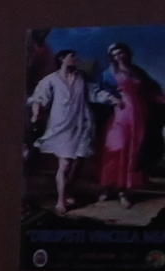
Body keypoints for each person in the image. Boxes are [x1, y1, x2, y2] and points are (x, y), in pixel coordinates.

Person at [29, 48, 108, 215]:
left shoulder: (82, 77)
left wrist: (112, 99)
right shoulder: (51, 79)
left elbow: (95, 93)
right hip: (62, 125)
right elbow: (39, 98)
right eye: (73, 57)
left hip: (81, 124)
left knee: (77, 162)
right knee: (65, 164)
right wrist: (36, 113)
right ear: (62, 59)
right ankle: (61, 200)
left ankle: (68, 190)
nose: (76, 59)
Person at [98, 41, 161, 204]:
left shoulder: (137, 71)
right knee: (117, 148)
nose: (119, 57)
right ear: (112, 57)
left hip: (139, 114)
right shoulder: (108, 73)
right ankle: (107, 186)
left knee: (133, 150)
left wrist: (159, 98)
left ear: (127, 53)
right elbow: (100, 91)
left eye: (121, 53)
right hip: (121, 113)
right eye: (115, 54)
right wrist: (113, 99)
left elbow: (151, 89)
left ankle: (123, 190)